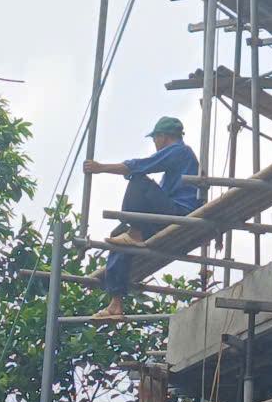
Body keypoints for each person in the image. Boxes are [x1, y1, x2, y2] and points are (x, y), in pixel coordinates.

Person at [83, 116, 200, 319]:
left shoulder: (180, 151)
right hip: (167, 213)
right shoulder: (174, 164)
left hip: (180, 213)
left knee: (139, 179)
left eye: (155, 138)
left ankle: (136, 232)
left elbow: (140, 166)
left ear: (162, 137)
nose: (155, 143)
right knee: (118, 236)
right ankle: (116, 303)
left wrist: (101, 168)